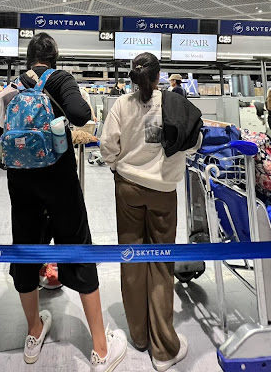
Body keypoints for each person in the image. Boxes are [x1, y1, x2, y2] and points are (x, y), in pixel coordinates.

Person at [7, 32, 127, 370]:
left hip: (20, 178)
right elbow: (79, 112)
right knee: (78, 246)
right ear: (54, 59)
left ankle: (34, 332)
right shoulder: (59, 78)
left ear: (29, 57)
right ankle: (101, 349)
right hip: (57, 178)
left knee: (25, 248)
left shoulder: (16, 85)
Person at [101, 53, 202, 371]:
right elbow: (193, 143)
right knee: (160, 263)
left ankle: (139, 336)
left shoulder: (122, 104)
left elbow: (107, 145)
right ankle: (163, 349)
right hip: (163, 193)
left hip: (128, 188)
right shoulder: (174, 104)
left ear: (133, 77)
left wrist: (118, 166)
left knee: (132, 258)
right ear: (159, 77)